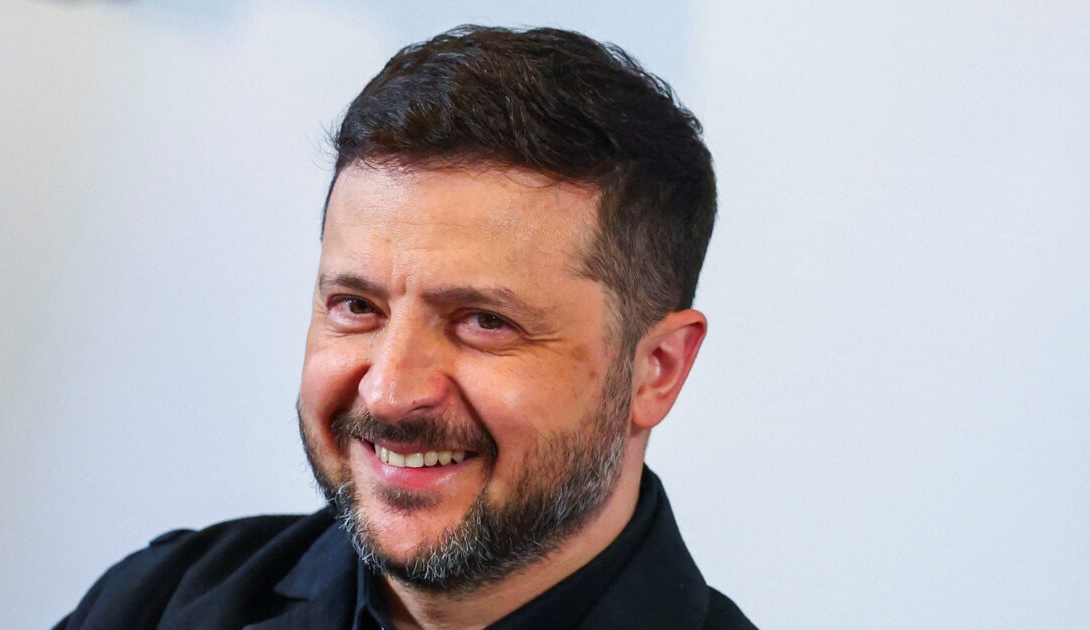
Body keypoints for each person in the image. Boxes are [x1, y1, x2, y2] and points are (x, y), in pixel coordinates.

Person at [57, 25, 756, 630]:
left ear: (656, 369)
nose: (389, 393)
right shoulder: (155, 601)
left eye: (485, 322)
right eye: (357, 307)